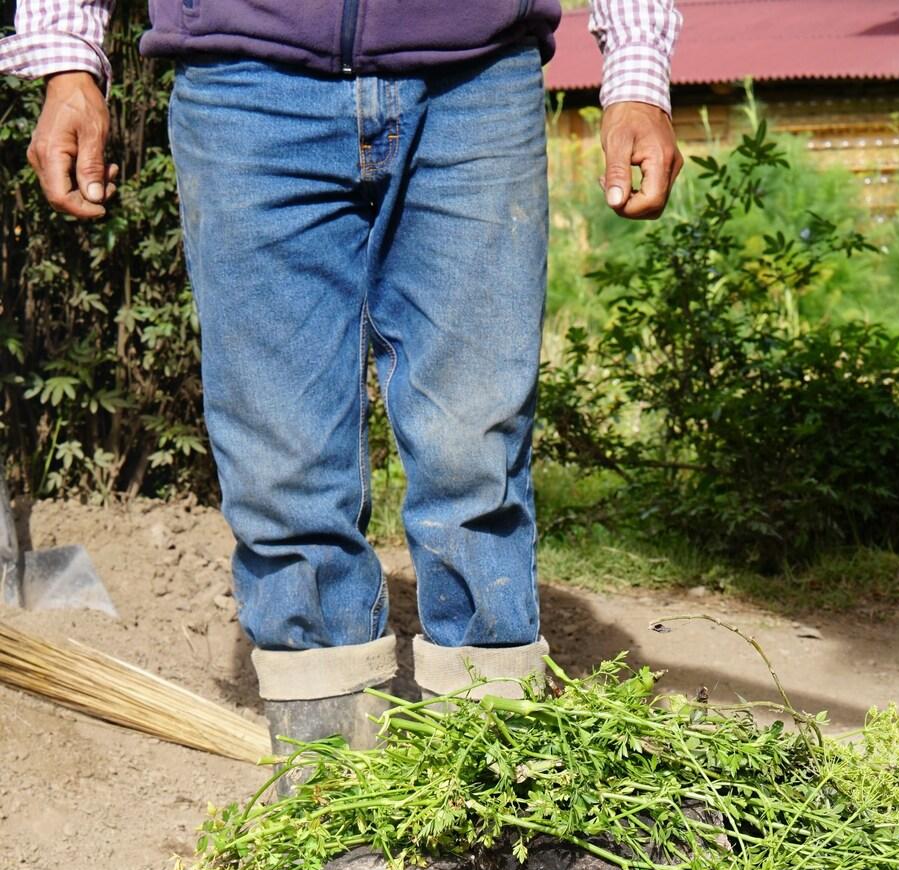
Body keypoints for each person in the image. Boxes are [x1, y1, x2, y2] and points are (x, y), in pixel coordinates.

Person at [3, 0, 683, 747]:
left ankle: (492, 782)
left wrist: (636, 73)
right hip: (246, 84)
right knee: (282, 462)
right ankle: (329, 785)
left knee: (473, 448)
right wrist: (68, 62)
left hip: (473, 80)